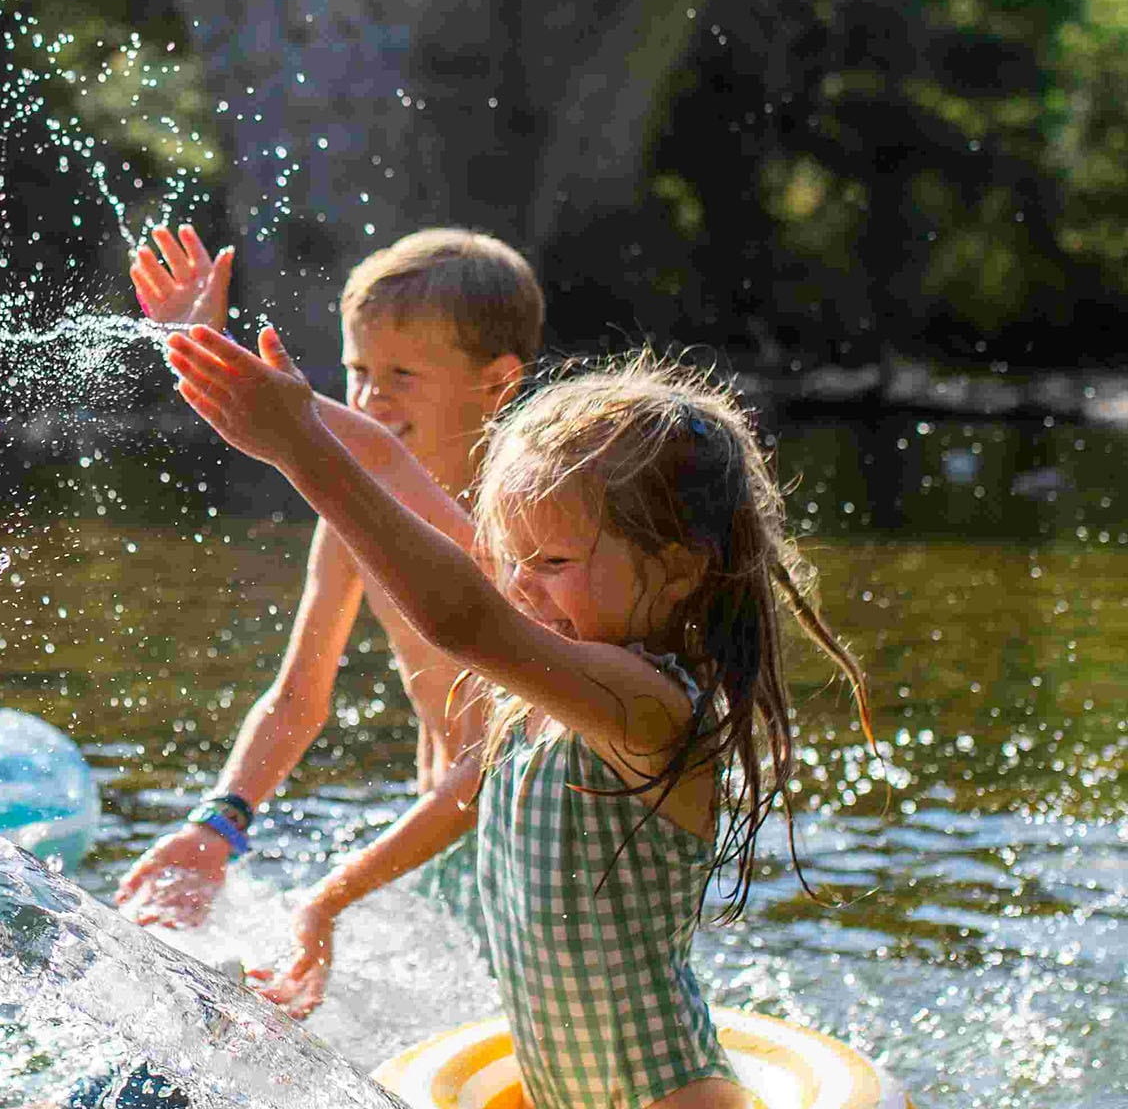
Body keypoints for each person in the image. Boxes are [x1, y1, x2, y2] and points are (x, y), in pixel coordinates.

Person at [165, 330, 875, 1109]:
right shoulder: (553, 675)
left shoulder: (650, 708)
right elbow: (390, 468)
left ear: (679, 566)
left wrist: (298, 443)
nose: (522, 586)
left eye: (554, 563)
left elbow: (461, 620)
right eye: (512, 558)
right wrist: (326, 902)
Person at [114, 225, 541, 927]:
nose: (373, 397)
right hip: (438, 842)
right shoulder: (352, 519)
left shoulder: (529, 520)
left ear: (497, 382)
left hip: (530, 841)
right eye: (360, 370)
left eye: (402, 376)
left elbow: (379, 461)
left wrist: (219, 359)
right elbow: (296, 701)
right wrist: (217, 825)